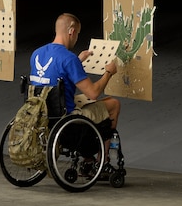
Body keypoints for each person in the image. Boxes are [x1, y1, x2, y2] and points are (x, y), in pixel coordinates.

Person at [29, 13, 120, 172]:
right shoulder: (68, 59)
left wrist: (78, 61)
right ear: (71, 31)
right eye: (77, 33)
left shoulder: (37, 53)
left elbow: (55, 74)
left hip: (42, 112)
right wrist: (109, 73)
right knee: (113, 104)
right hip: (64, 116)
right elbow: (93, 93)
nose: (77, 37)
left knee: (83, 100)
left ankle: (88, 159)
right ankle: (102, 161)